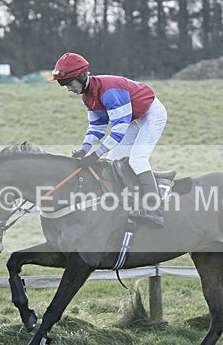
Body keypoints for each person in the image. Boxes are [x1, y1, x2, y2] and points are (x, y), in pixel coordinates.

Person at [52, 52, 168, 228]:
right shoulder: (87, 97)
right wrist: (84, 149)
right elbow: (97, 127)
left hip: (151, 114)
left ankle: (155, 209)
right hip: (133, 118)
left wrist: (96, 154)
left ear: (82, 76)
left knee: (137, 159)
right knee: (113, 161)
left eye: (69, 84)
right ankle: (127, 203)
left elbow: (118, 131)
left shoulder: (109, 91)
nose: (69, 89)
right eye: (64, 85)